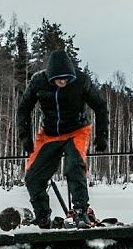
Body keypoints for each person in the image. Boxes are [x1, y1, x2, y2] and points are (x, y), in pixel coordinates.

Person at [16, 49, 109, 228]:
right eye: (59, 79)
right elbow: (23, 109)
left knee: (74, 166)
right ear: (50, 76)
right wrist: (25, 137)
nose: (63, 81)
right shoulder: (38, 81)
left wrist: (102, 135)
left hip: (77, 130)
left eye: (66, 78)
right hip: (49, 133)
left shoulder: (81, 81)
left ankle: (81, 210)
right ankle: (42, 215)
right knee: (33, 176)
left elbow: (100, 105)